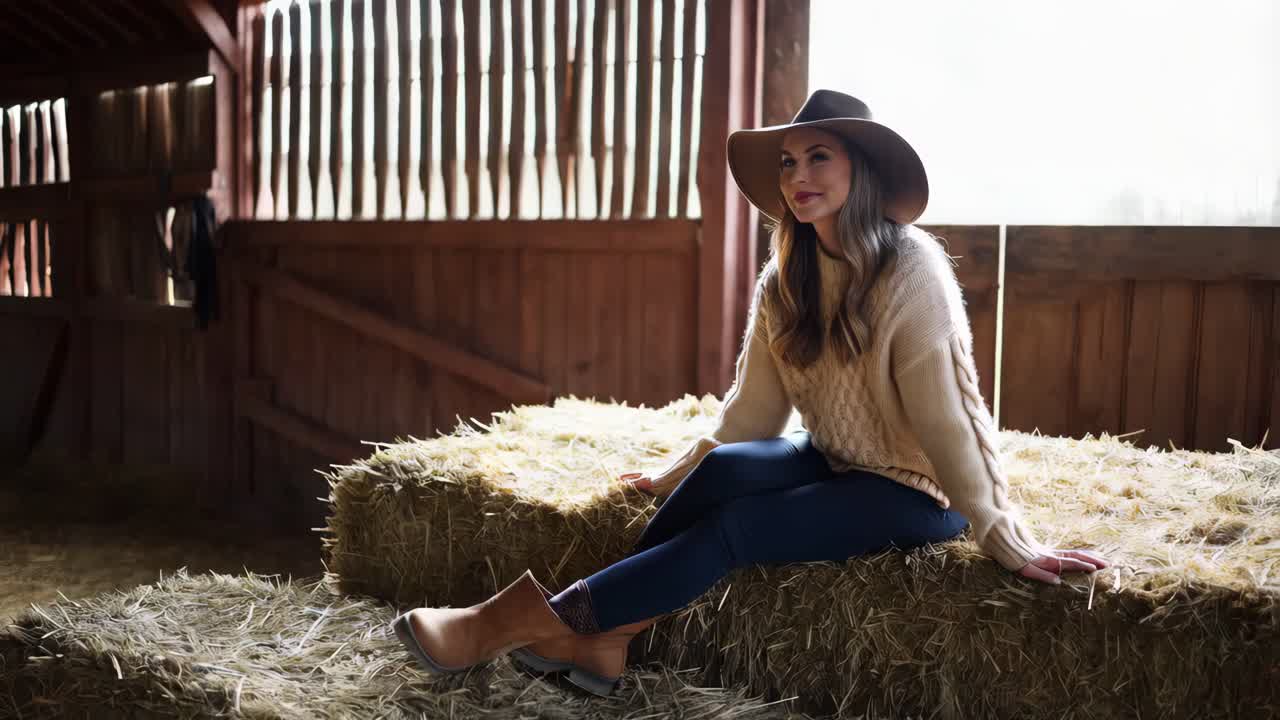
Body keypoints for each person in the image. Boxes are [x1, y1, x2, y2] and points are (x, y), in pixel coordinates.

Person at [391, 89, 1109, 697]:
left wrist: (1003, 534)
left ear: (862, 169)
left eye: (818, 156)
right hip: (833, 457)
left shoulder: (910, 270)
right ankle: (602, 640)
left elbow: (951, 418)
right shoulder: (785, 278)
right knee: (722, 474)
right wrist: (677, 471)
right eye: (789, 162)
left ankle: (530, 621)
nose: (797, 175)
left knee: (740, 532)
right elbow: (752, 414)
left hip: (920, 492)